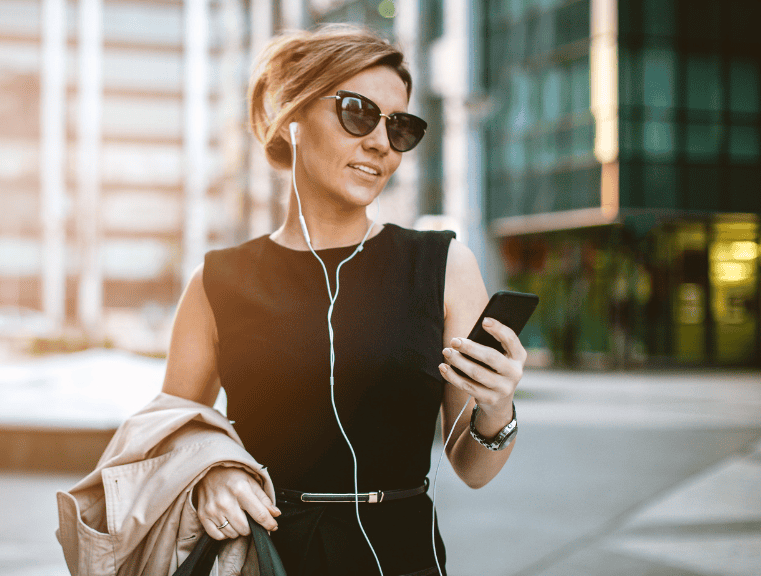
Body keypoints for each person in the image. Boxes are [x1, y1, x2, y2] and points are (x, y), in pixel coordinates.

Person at [161, 23, 528, 576]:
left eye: (399, 126)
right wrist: (212, 472)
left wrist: (497, 410)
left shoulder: (444, 266)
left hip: (401, 559)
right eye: (357, 112)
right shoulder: (217, 282)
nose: (381, 142)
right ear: (294, 118)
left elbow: (471, 467)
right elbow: (171, 430)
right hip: (264, 559)